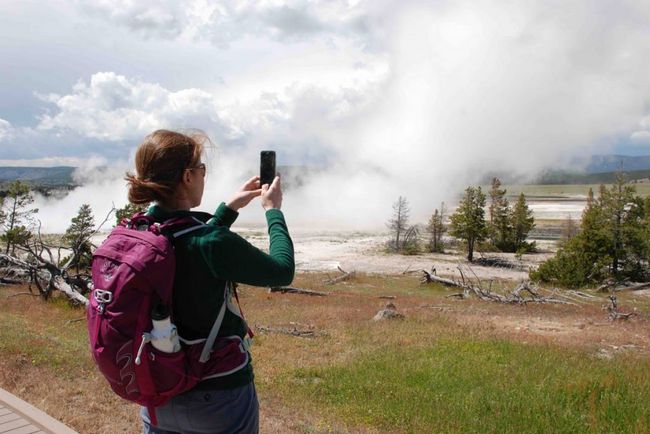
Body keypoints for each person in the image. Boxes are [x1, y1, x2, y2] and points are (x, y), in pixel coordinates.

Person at [125, 129, 294, 434]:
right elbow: (282, 271)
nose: (204, 175)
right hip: (218, 395)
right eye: (201, 169)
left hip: (158, 390)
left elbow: (184, 243)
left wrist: (228, 209)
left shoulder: (139, 232)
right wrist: (274, 212)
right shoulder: (211, 243)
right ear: (188, 177)